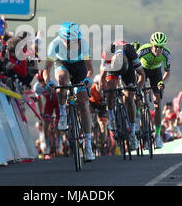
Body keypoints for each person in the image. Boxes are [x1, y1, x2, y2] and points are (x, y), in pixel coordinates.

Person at [42, 21, 95, 161]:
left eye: (75, 41)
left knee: (83, 104)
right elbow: (46, 69)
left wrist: (88, 79)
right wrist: (48, 82)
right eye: (70, 42)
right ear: (62, 39)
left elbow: (90, 69)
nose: (73, 44)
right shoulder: (55, 44)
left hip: (79, 67)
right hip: (62, 64)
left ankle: (88, 145)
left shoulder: (83, 44)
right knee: (62, 80)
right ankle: (63, 113)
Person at [99, 40, 146, 150]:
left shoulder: (131, 52)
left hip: (127, 69)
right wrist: (104, 91)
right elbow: (102, 78)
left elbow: (142, 75)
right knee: (111, 89)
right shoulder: (107, 52)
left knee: (129, 98)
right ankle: (111, 117)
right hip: (112, 68)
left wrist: (137, 89)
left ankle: (133, 132)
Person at [134, 31, 171, 149]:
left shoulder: (166, 54)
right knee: (138, 96)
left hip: (156, 72)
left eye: (161, 47)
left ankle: (158, 136)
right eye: (156, 47)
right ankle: (137, 117)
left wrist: (162, 82)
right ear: (152, 45)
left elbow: (167, 72)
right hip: (142, 70)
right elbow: (133, 66)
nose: (158, 50)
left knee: (157, 102)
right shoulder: (143, 51)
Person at [33, 69, 61, 156]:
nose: (42, 83)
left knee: (58, 123)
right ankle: (48, 145)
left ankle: (59, 142)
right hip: (49, 103)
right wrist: (41, 113)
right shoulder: (37, 87)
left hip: (57, 102)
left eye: (43, 80)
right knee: (46, 124)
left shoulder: (53, 84)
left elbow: (60, 96)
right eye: (40, 81)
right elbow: (40, 101)